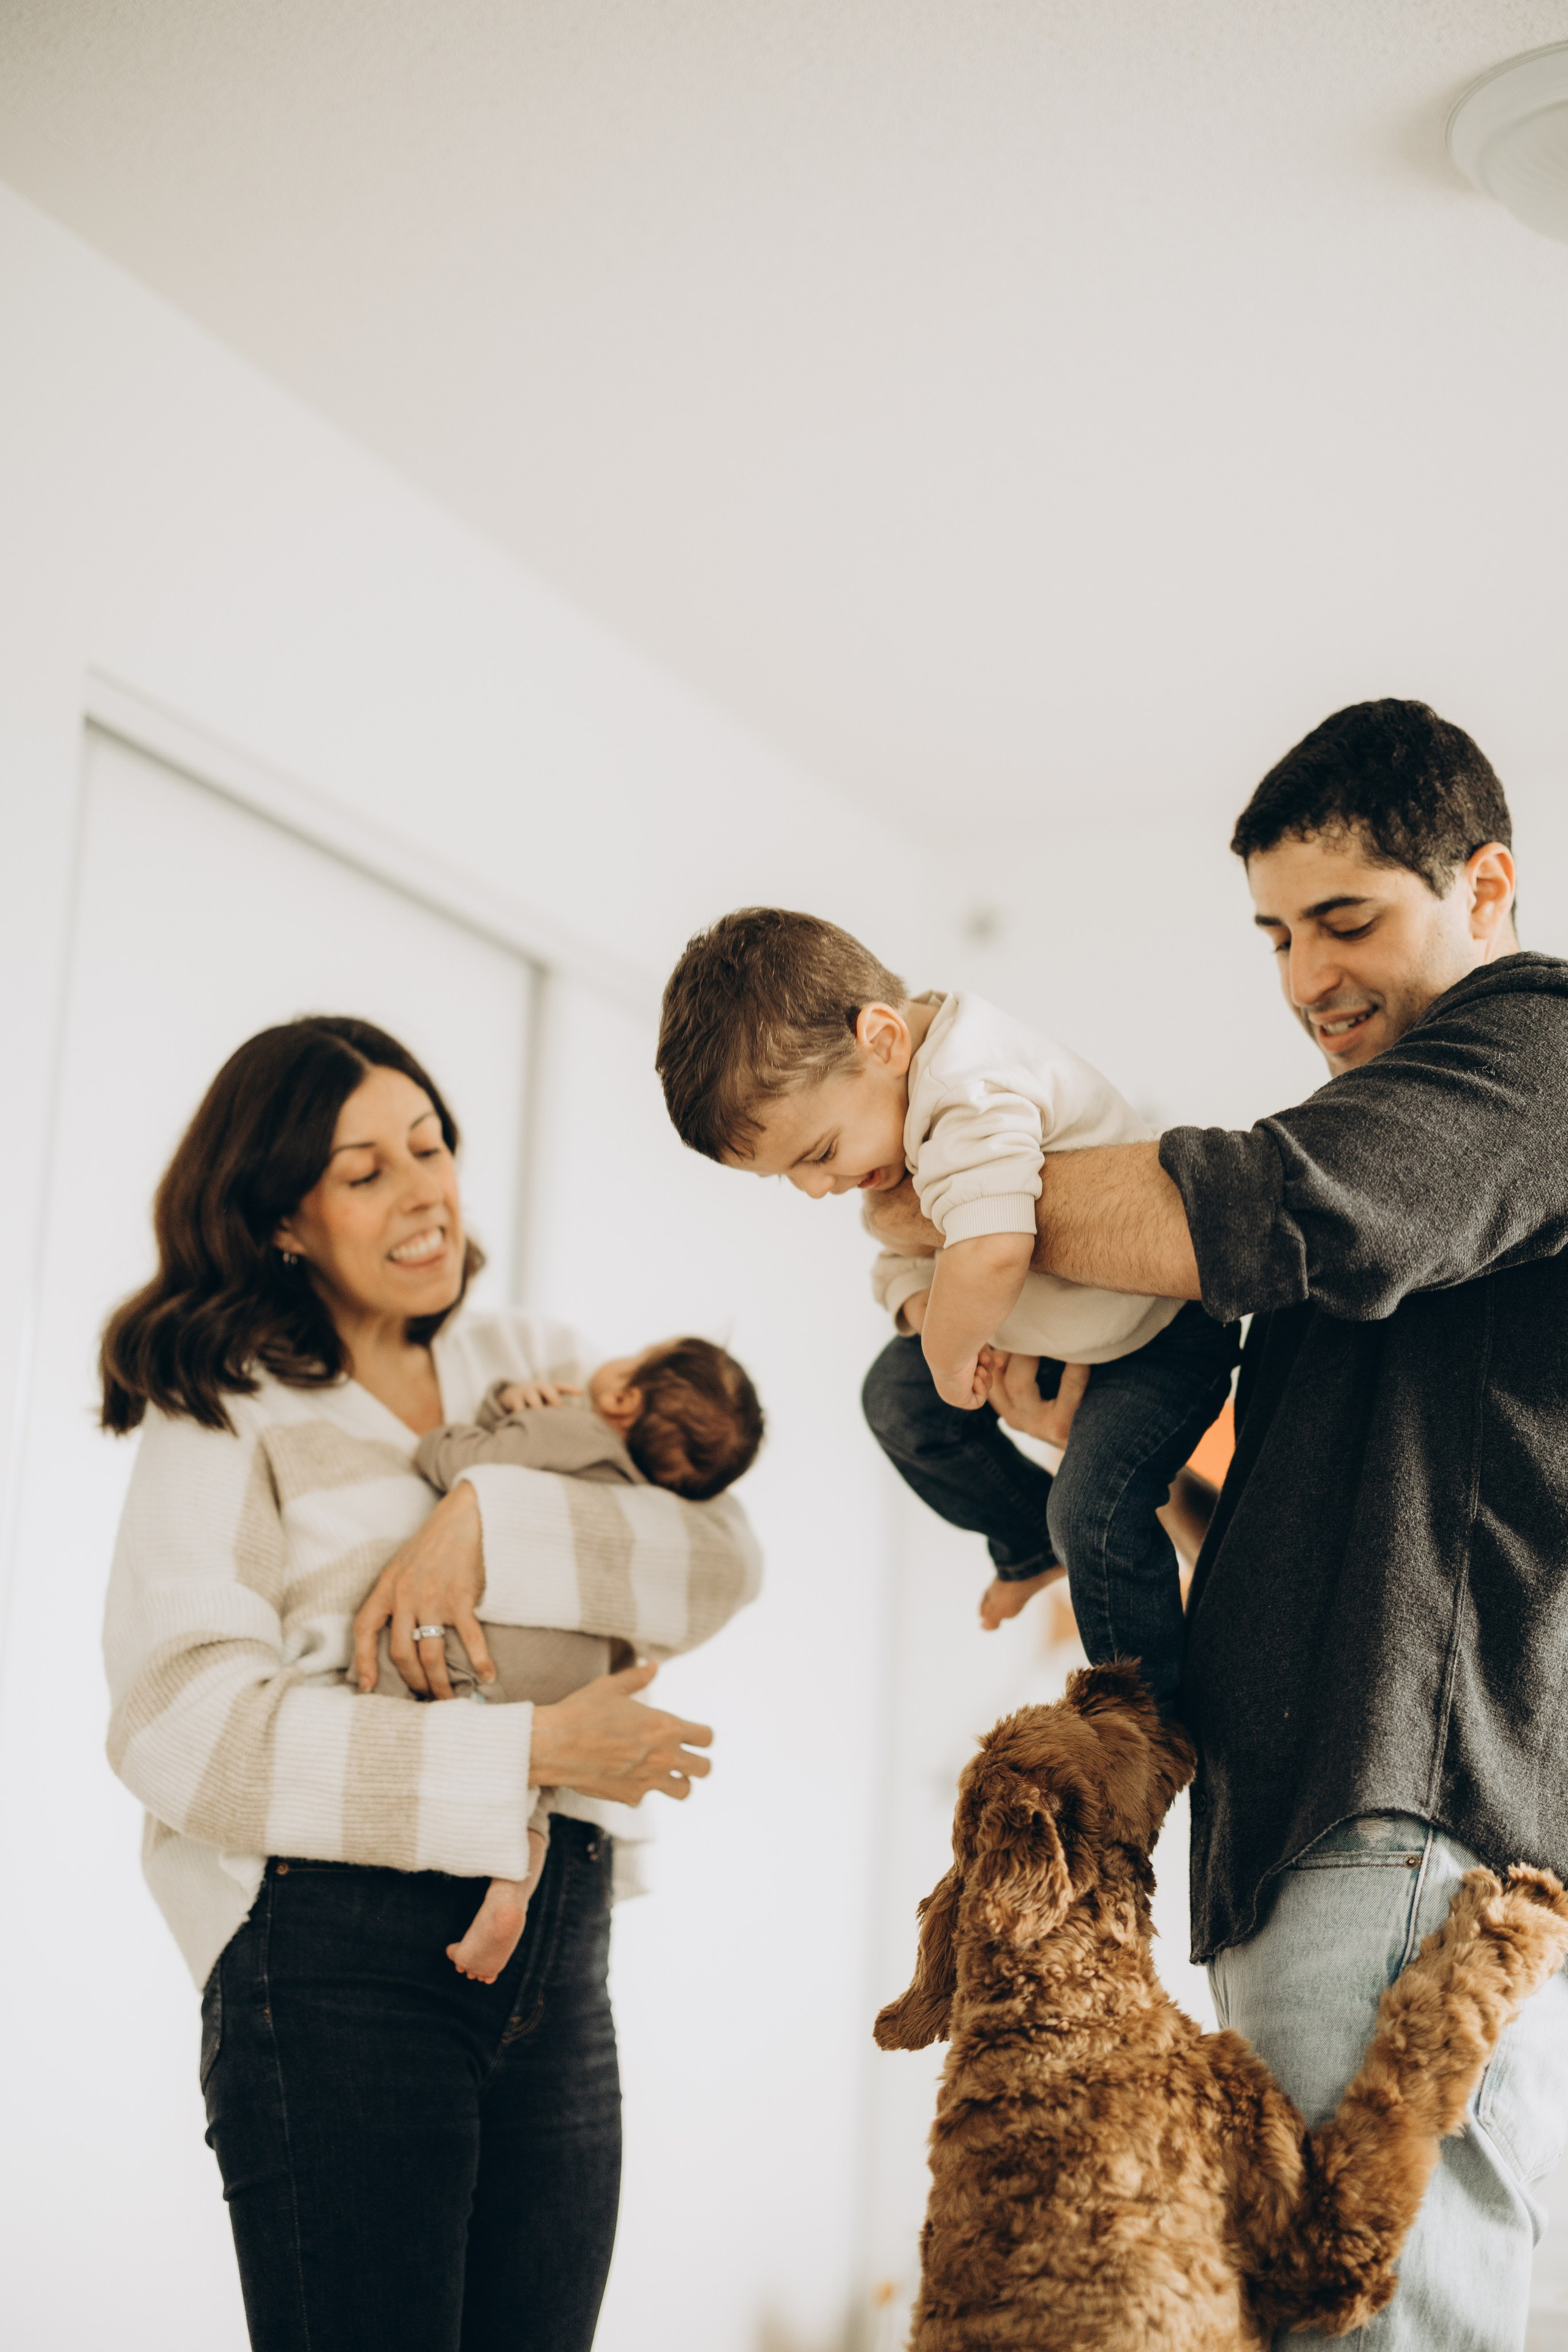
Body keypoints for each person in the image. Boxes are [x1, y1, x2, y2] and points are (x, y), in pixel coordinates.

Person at [864, 698, 1568, 2350]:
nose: (1309, 976)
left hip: (1398, 1806)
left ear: (1486, 886)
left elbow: (1254, 1201)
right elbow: (1360, 1488)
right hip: (1327, 1812)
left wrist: (946, 1183)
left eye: (1349, 920)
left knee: (1382, 2321)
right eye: (1275, 934)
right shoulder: (1443, 1156)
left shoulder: (1533, 1051)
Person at [99, 1015, 761, 2352]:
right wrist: (524, 1753)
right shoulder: (223, 1411)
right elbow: (185, 1733)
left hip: (558, 1946)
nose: (425, 1192)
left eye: (431, 1144)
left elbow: (715, 1564)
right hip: (334, 1954)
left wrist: (484, 1517)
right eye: (365, 1171)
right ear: (283, 1217)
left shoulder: (520, 1360)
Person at [654, 909, 1237, 1708]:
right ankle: (1027, 1543)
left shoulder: (970, 1083)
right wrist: (921, 1308)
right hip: (1057, 1329)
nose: (816, 1187)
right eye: (789, 1175)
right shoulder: (890, 1114)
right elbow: (900, 1257)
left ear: (884, 1040)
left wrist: (950, 1351)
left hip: (1153, 1335)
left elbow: (994, 1246)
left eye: (818, 1154)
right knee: (895, 1399)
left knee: (1094, 1512)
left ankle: (1150, 1719)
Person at [383, 1338, 764, 1983]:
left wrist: (479, 1416)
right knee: (535, 1786)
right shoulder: (650, 1495)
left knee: (391, 1675)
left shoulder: (568, 1427)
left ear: (620, 1399)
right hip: (579, 1677)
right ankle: (511, 1893)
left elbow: (465, 1461)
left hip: (493, 1654)